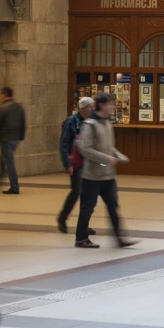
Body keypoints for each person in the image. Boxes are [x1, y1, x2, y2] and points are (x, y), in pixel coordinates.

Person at [75, 92, 135, 247]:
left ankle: (119, 238)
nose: (113, 107)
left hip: (107, 176)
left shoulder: (107, 123)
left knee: (114, 207)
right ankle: (81, 238)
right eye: (110, 104)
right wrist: (107, 159)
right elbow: (86, 149)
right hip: (92, 175)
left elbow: (109, 146)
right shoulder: (90, 125)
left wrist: (118, 155)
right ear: (102, 105)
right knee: (87, 207)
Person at [56, 97, 94, 234]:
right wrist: (67, 164)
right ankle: (62, 218)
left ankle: (84, 224)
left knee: (88, 194)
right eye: (90, 107)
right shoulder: (71, 121)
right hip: (75, 162)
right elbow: (64, 144)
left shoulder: (91, 122)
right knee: (77, 191)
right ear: (82, 108)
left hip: (88, 162)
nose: (92, 109)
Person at [0, 87, 26, 195]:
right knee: (3, 160)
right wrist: (21, 136)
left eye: (1, 94)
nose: (0, 96)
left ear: (4, 94)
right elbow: (23, 123)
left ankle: (15, 187)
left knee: (9, 163)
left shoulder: (2, 108)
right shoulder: (19, 107)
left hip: (6, 139)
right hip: (15, 139)